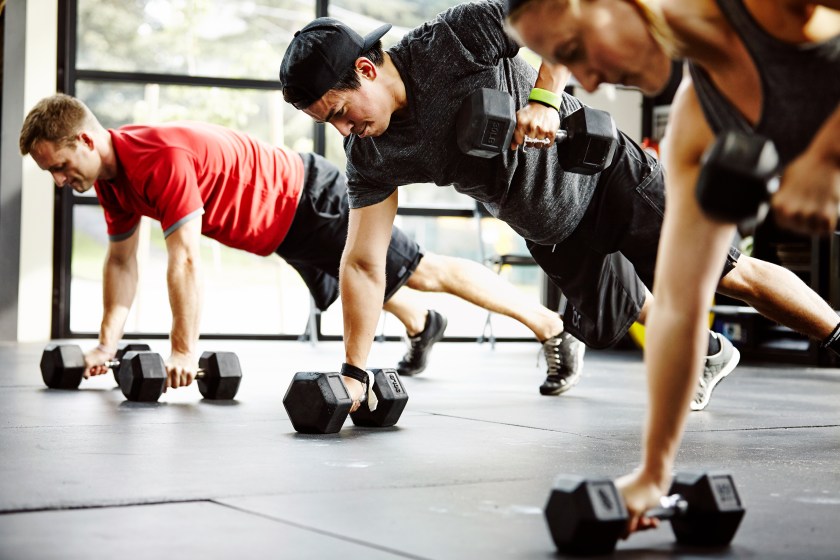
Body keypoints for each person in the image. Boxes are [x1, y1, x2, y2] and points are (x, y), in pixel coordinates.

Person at [277, 0, 837, 416]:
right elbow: (363, 262)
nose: (344, 130)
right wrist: (354, 372)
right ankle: (710, 353)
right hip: (547, 227)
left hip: (606, 179)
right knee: (612, 319)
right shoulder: (371, 154)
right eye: (329, 124)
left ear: (368, 70)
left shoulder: (449, 41)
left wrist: (544, 96)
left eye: (341, 112)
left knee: (727, 275)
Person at [505, 0, 840, 536]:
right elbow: (681, 306)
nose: (587, 82)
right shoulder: (697, 120)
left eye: (572, 52)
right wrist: (653, 473)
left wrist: (826, 155)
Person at [19, 93, 577, 390]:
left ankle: (551, 327)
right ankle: (421, 323)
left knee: (421, 269)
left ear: (87, 139)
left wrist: (184, 350)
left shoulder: (157, 159)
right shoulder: (112, 181)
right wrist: (104, 345)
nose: (63, 182)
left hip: (309, 198)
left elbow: (184, 259)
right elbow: (121, 262)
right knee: (370, 285)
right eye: (53, 174)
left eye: (63, 166)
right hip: (282, 228)